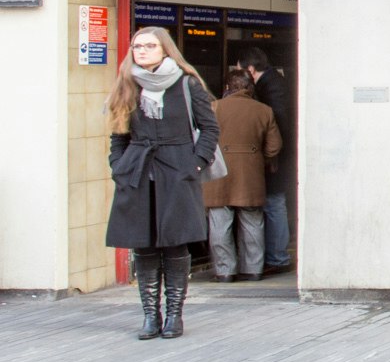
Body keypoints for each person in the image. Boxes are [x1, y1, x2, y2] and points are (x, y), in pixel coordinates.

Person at [105, 27, 219, 340]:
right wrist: (118, 167)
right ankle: (149, 317)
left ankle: (174, 316)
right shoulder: (127, 83)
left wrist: (195, 163)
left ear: (165, 50)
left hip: (178, 170)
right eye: (136, 46)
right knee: (144, 245)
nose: (141, 51)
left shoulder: (186, 83)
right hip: (138, 171)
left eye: (149, 46)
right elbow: (119, 133)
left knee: (175, 242)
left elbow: (209, 128)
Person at [203, 70, 283, 282]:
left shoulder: (214, 108)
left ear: (228, 87)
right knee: (253, 222)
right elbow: (274, 146)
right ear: (250, 88)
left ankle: (225, 271)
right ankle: (253, 269)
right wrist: (258, 159)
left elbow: (201, 140)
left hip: (218, 175)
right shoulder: (264, 110)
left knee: (220, 223)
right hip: (250, 175)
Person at [234, 47, 295, 275]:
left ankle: (278, 258)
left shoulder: (271, 86)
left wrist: (271, 155)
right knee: (273, 204)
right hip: (276, 158)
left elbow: (278, 124)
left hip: (276, 160)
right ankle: (275, 256)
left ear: (250, 69)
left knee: (274, 204)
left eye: (240, 70)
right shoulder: (273, 83)